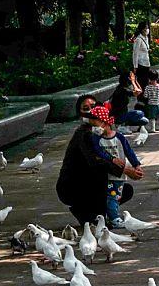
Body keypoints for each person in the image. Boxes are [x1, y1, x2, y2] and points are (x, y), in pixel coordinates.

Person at [56, 94, 140, 225]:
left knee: (124, 189)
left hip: (90, 183)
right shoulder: (84, 134)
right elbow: (96, 161)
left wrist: (135, 165)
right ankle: (86, 211)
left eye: (93, 107)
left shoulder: (101, 133)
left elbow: (124, 150)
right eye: (86, 108)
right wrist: (125, 170)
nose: (91, 111)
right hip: (74, 186)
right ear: (81, 114)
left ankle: (93, 212)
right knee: (102, 177)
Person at [88, 105, 140, 228]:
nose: (94, 128)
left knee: (116, 196)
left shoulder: (119, 138)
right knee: (111, 197)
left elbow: (129, 152)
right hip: (106, 175)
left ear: (104, 122)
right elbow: (98, 152)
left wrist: (136, 165)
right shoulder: (97, 139)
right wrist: (112, 159)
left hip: (119, 175)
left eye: (95, 124)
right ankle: (114, 218)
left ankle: (111, 216)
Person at [131, 21, 151, 86]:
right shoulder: (138, 39)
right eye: (145, 28)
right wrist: (135, 66)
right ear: (142, 29)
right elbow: (135, 53)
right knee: (141, 84)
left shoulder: (146, 38)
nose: (147, 30)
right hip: (141, 65)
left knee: (146, 83)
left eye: (147, 28)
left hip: (147, 64)